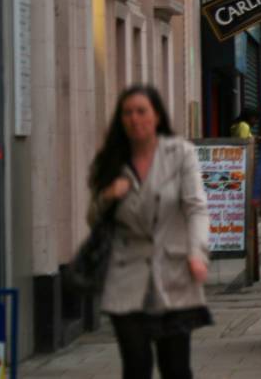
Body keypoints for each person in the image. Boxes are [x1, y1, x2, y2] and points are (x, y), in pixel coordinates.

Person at [87, 85, 212, 379]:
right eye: (127, 113)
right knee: (136, 365)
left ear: (156, 116)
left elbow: (196, 208)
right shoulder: (111, 162)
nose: (134, 119)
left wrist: (197, 253)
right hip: (126, 274)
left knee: (176, 368)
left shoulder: (181, 154)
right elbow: (93, 218)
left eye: (141, 111)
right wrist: (107, 197)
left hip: (174, 270)